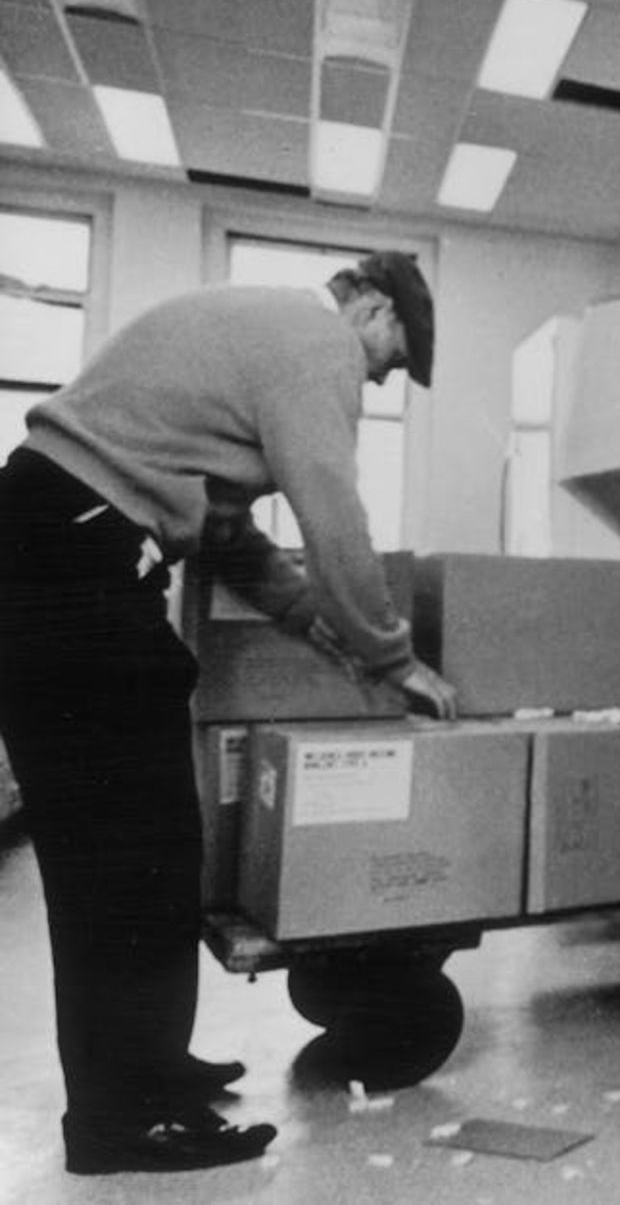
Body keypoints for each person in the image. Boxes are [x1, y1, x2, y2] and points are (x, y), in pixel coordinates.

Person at [0, 251, 460, 1175]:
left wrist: (317, 625)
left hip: (59, 540)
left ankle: (150, 1069)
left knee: (153, 846)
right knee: (123, 859)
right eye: (392, 353)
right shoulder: (314, 343)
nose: (379, 377)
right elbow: (333, 511)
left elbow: (224, 533)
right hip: (73, 556)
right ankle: (120, 1117)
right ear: (368, 305)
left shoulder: (257, 335)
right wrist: (393, 658)